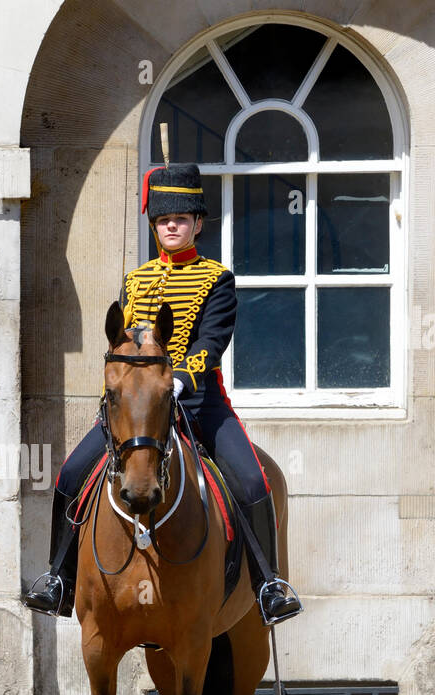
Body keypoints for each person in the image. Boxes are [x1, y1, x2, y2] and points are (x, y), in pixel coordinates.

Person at [23, 162, 301, 625]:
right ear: (154, 225)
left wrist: (176, 379)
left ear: (197, 223)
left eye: (182, 219)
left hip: (198, 404)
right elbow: (122, 345)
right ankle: (59, 578)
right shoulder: (136, 281)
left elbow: (210, 345)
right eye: (164, 219)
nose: (172, 226)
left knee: (254, 483)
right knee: (70, 475)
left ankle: (269, 584)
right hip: (137, 412)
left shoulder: (217, 279)